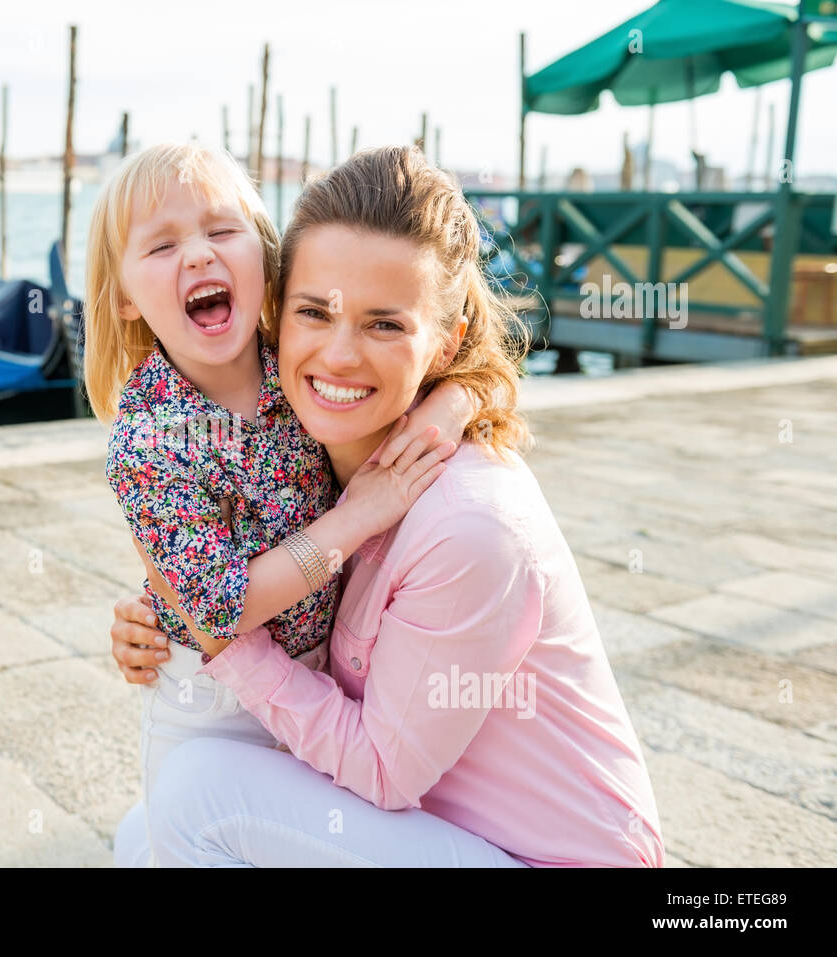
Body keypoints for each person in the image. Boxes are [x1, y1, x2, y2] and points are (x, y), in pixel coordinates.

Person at [109, 145, 665, 867]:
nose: (339, 356)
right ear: (277, 313)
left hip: (536, 857)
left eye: (384, 324)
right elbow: (234, 544)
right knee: (142, 832)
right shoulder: (333, 452)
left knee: (195, 794)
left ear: (443, 343)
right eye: (316, 312)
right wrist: (164, 606)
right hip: (437, 831)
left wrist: (220, 641)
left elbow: (379, 770)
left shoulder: (469, 525)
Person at [82, 142, 473, 864]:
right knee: (190, 834)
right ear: (126, 299)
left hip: (315, 685)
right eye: (163, 245)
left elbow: (450, 358)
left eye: (221, 231)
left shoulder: (296, 359)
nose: (198, 255)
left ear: (266, 257)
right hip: (210, 704)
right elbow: (221, 606)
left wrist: (457, 402)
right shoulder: (147, 439)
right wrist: (357, 516)